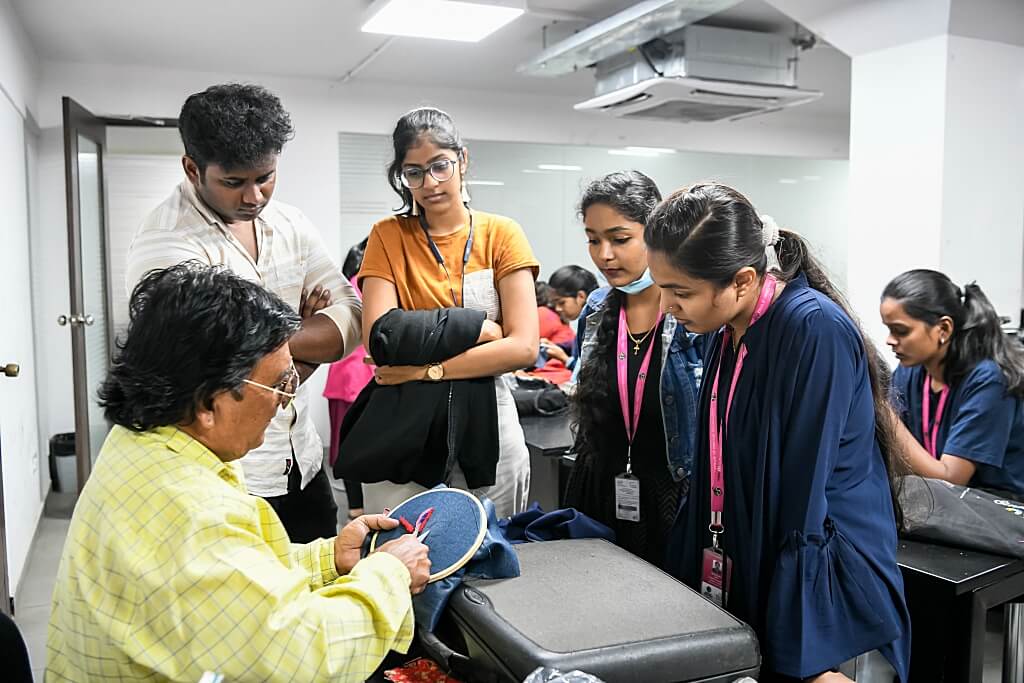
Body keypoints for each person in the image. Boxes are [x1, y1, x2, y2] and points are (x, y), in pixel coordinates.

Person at [46, 263, 430, 683]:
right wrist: (388, 574)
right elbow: (304, 656)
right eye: (280, 385)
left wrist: (328, 560)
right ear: (210, 404)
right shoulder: (195, 514)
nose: (284, 401)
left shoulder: (141, 444)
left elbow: (233, 589)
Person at [647, 184, 909, 682]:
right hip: (752, 552)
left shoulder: (814, 330)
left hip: (826, 586)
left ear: (743, 280)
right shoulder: (730, 326)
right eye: (662, 287)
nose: (667, 307)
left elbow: (804, 499)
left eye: (680, 292)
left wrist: (799, 643)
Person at [126, 84, 359, 542]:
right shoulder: (168, 241)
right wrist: (300, 328)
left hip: (303, 464)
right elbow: (205, 373)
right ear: (193, 168)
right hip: (228, 478)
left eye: (266, 177)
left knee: (318, 589)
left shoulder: (291, 223)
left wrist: (257, 349)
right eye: (233, 182)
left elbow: (349, 318)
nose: (254, 196)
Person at [349, 107, 539, 517]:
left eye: (440, 166)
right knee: (404, 550)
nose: (429, 183)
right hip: (404, 418)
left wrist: (423, 368)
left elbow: (524, 348)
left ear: (463, 160)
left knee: (493, 543)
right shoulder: (387, 235)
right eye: (413, 173)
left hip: (488, 413)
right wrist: (479, 330)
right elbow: (381, 338)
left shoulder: (501, 233)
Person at [563, 171, 704, 569]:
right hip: (600, 490)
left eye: (620, 239)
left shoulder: (690, 313)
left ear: (655, 234)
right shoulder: (594, 308)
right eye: (593, 239)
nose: (604, 254)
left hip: (672, 492)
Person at [881, 269, 1024, 498]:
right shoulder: (910, 372)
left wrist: (884, 414)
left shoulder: (989, 381)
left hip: (998, 512)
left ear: (944, 328)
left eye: (901, 331)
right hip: (944, 505)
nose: (889, 340)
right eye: (888, 329)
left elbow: (952, 479)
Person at [323, 238, 375, 522]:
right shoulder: (366, 284)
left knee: (346, 444)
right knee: (357, 446)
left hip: (344, 379)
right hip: (358, 378)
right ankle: (358, 508)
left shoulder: (350, 282)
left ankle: (356, 507)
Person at [543, 264, 598, 372]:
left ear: (581, 296)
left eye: (562, 302)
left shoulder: (597, 323)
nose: (558, 308)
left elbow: (590, 373)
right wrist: (554, 347)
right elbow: (575, 346)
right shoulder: (586, 320)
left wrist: (566, 359)